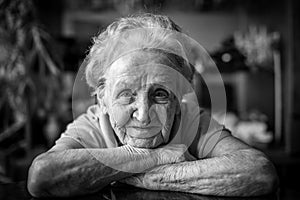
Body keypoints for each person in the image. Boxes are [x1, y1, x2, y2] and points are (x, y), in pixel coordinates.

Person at [27, 13, 278, 197]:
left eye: (160, 94)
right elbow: (42, 177)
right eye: (126, 94)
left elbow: (259, 173)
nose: (144, 115)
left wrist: (151, 175)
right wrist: (157, 156)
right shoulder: (93, 124)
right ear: (102, 99)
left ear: (180, 98)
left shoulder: (192, 120)